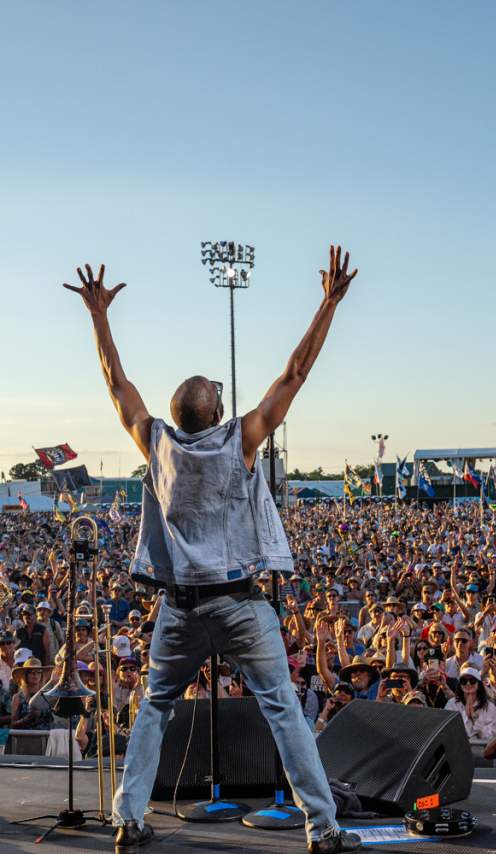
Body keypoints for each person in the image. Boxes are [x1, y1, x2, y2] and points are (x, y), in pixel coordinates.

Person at [63, 250, 361, 854]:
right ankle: (324, 827)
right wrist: (328, 303)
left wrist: (99, 317)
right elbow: (295, 373)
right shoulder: (240, 441)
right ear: (218, 413)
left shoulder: (155, 443)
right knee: (284, 710)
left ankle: (128, 818)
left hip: (180, 609)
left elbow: (116, 383)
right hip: (239, 604)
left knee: (154, 706)